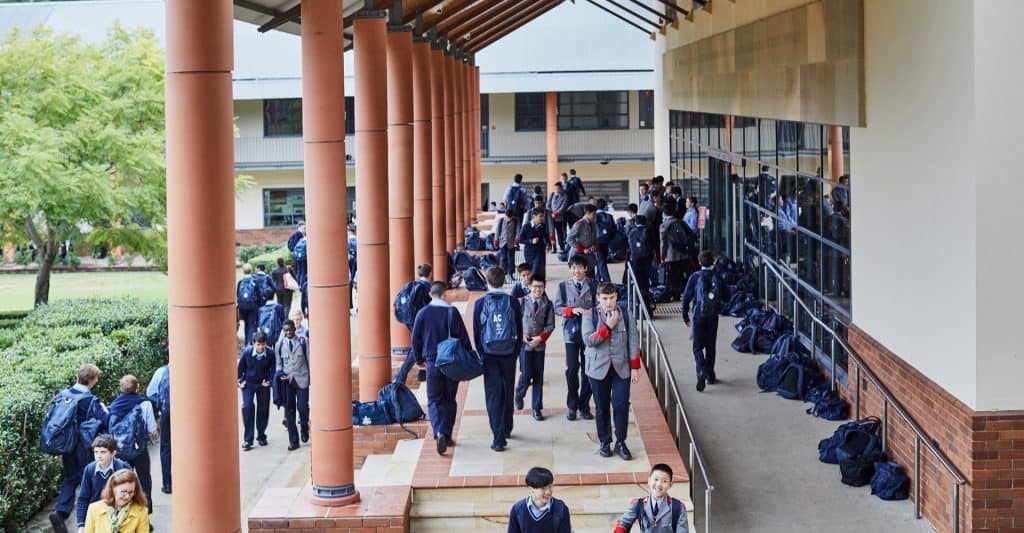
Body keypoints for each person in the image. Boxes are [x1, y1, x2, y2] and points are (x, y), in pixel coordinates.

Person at [411, 282, 472, 455]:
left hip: (432, 363)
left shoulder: (422, 313)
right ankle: (447, 434)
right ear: (445, 295)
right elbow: (463, 338)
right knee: (449, 399)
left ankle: (438, 432)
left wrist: (418, 359)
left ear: (431, 295)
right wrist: (468, 357)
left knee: (434, 400)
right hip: (451, 363)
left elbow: (415, 340)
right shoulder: (452, 312)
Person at [581, 282, 640, 461]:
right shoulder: (589, 315)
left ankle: (621, 441)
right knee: (601, 407)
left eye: (612, 298)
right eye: (605, 298)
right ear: (598, 298)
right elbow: (588, 341)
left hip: (621, 367)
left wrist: (635, 366)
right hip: (598, 368)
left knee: (621, 405)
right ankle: (605, 441)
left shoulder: (626, 315)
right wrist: (607, 327)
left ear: (616, 297)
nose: (609, 302)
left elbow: (633, 341)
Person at [49, 364, 109, 533]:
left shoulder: (63, 395)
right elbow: (106, 420)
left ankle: (60, 512)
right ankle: (89, 519)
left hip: (67, 445)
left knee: (70, 479)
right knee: (88, 479)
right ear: (92, 380)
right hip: (84, 445)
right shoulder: (90, 400)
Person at [473, 267, 523, 452]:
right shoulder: (513, 302)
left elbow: (477, 333)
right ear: (504, 281)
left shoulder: (480, 303)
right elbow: (519, 328)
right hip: (509, 353)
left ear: (488, 281)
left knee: (493, 395)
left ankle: (498, 437)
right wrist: (516, 351)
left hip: (489, 355)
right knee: (508, 391)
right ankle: (507, 427)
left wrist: (482, 353)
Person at [107, 375, 157, 516]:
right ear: (137, 387)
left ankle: (123, 513)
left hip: (120, 450)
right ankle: (145, 513)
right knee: (144, 480)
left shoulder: (114, 405)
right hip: (139, 449)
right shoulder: (144, 404)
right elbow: (151, 429)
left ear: (121, 388)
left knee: (122, 481)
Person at [553, 255, 595, 421]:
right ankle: (572, 404)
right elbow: (557, 308)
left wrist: (587, 313)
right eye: (573, 267)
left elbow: (600, 308)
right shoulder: (563, 286)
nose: (576, 271)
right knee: (571, 369)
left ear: (585, 269)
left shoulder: (593, 285)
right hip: (571, 332)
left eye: (579, 267)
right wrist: (571, 311)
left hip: (589, 333)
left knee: (588, 370)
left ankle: (584, 405)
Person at [515, 277, 554, 420]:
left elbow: (550, 325)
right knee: (526, 374)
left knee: (538, 376)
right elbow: (515, 321)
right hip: (525, 345)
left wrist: (541, 338)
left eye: (541, 287)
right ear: (530, 287)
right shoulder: (521, 302)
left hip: (539, 345)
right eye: (536, 286)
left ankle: (537, 408)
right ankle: (519, 393)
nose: (538, 289)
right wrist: (522, 334)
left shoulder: (548, 304)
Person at [74, 435, 131, 533]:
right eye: (96, 452)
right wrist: (81, 525)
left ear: (113, 453)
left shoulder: (123, 468)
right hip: (96, 515)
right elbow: (83, 498)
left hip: (118, 514)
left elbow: (131, 495)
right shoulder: (89, 470)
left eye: (103, 452)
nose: (98, 456)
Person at [682, 251, 720, 392]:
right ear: (713, 263)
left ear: (699, 262)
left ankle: (701, 370)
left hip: (699, 315)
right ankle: (710, 375)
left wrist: (685, 315)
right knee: (711, 346)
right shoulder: (717, 277)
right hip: (713, 316)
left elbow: (686, 297)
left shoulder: (694, 277)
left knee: (697, 346)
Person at [613, 463, 690, 533]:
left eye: (664, 481)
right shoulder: (639, 504)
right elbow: (623, 523)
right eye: (656, 479)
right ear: (649, 481)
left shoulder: (678, 507)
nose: (659, 484)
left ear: (670, 484)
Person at [237, 332, 276, 450]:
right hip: (249, 383)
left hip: (263, 384)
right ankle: (248, 439)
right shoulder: (247, 352)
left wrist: (269, 381)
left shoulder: (270, 353)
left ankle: (261, 435)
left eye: (263, 344)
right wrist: (240, 381)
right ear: (254, 343)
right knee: (248, 407)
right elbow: (239, 369)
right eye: (258, 344)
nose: (261, 347)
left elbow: (273, 370)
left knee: (263, 410)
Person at [275, 320, 310, 450]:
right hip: (287, 381)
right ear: (283, 331)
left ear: (295, 329)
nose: (288, 332)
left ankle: (305, 428)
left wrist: (311, 379)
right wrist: (279, 373)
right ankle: (293, 441)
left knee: (302, 408)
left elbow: (309, 359)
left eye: (290, 329)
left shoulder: (302, 341)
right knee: (289, 411)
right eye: (286, 330)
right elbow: (278, 363)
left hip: (302, 379)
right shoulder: (279, 345)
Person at [507, 467, 572, 533]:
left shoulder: (561, 509)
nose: (548, 492)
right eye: (543, 488)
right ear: (530, 489)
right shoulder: (518, 510)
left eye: (550, 486)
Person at [83, 469, 149, 533]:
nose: (127, 496)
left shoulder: (141, 511)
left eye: (131, 492)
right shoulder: (94, 509)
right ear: (113, 488)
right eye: (123, 491)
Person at [145, 349, 171, 495]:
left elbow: (150, 392)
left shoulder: (161, 372)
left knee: (166, 448)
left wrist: (161, 404)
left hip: (166, 414)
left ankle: (167, 483)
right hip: (186, 417)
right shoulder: (190, 368)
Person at [659, 203, 689, 299]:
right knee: (681, 275)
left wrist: (662, 256)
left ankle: (675, 294)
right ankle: (682, 292)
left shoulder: (665, 225)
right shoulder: (681, 222)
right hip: (683, 253)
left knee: (672, 276)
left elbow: (663, 243)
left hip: (671, 255)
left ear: (664, 213)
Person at [566, 204, 598, 278]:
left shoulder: (593, 223)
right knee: (580, 278)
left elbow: (594, 238)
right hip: (579, 255)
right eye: (593, 214)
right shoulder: (579, 224)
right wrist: (582, 249)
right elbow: (569, 239)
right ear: (587, 213)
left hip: (589, 256)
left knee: (591, 278)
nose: (595, 216)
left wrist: (594, 246)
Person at [518, 209, 550, 281]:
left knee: (540, 271)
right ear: (534, 216)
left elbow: (546, 236)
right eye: (540, 216)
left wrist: (548, 245)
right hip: (530, 253)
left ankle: (540, 285)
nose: (542, 218)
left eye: (543, 216)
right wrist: (530, 241)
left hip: (541, 251)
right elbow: (520, 240)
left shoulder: (543, 226)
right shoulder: (526, 226)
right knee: (532, 271)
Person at [236, 263, 261, 345]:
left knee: (246, 324)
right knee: (251, 324)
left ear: (243, 271)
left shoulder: (240, 282)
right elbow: (259, 294)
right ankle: (249, 342)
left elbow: (237, 294)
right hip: (252, 306)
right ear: (251, 270)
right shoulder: (254, 281)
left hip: (242, 306)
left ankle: (246, 340)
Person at [593, 199, 616, 283]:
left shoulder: (594, 216)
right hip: (606, 241)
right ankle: (597, 279)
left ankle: (607, 281)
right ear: (605, 206)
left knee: (601, 262)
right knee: (602, 261)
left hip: (597, 241)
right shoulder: (609, 216)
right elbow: (614, 229)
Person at [494, 209, 518, 281]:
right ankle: (503, 275)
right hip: (503, 242)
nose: (509, 219)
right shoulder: (501, 220)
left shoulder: (516, 221)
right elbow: (497, 231)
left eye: (510, 217)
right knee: (503, 258)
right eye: (508, 217)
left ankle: (511, 274)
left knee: (511, 259)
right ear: (505, 215)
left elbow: (518, 230)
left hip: (511, 242)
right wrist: (496, 240)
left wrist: (517, 239)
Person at [547, 181, 568, 253]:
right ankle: (554, 247)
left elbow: (563, 206)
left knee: (560, 233)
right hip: (551, 217)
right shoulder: (552, 194)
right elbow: (548, 205)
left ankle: (561, 246)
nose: (556, 189)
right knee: (551, 232)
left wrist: (556, 213)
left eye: (558, 188)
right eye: (555, 188)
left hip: (559, 218)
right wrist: (551, 213)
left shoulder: (564, 195)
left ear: (561, 188)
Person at [288, 221, 308, 287]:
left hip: (296, 256)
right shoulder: (299, 234)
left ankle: (298, 284)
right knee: (302, 272)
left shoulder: (297, 236)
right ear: (301, 225)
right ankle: (301, 285)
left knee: (298, 271)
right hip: (303, 256)